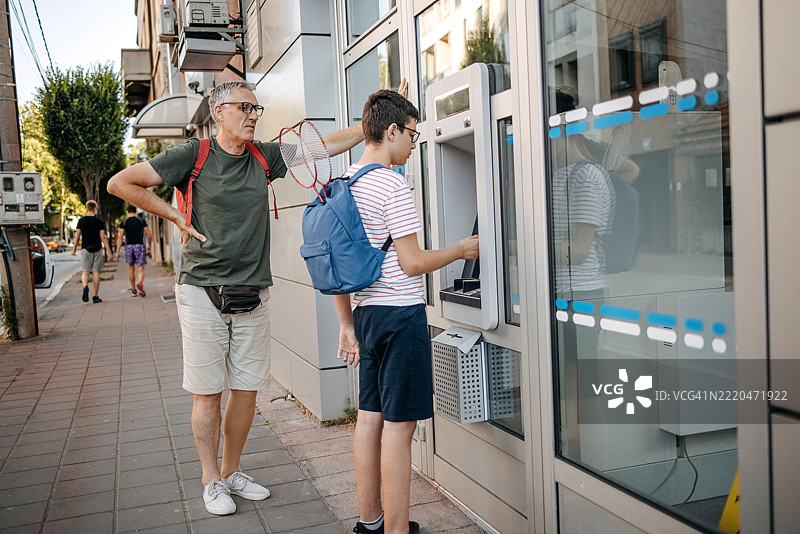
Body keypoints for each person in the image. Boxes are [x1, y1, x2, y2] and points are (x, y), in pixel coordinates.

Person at [107, 79, 406, 516]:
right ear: (219, 112)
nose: (253, 116)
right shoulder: (193, 155)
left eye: (256, 109)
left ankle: (231, 472)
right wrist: (173, 214)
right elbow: (121, 183)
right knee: (208, 393)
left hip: (253, 292)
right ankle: (210, 480)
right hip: (202, 289)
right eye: (244, 108)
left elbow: (323, 146)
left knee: (247, 391)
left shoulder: (263, 156)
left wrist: (376, 121)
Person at [333, 90, 479, 534]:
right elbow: (412, 263)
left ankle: (371, 524)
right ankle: (397, 531)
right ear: (392, 131)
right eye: (413, 134)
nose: (415, 144)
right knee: (400, 428)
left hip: (367, 315)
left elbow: (335, 265)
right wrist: (461, 250)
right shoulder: (392, 184)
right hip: (400, 314)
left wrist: (346, 324)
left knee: (369, 419)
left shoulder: (344, 183)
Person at [72, 200, 112, 303]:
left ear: (87, 208)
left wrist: (74, 249)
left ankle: (85, 286)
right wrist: (109, 252)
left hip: (86, 249)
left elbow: (77, 237)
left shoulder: (81, 221)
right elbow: (103, 238)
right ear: (95, 209)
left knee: (85, 272)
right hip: (97, 249)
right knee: (96, 272)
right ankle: (95, 296)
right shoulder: (99, 222)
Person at [115, 204, 153, 297]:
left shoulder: (124, 222)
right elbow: (149, 235)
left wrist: (117, 251)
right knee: (141, 268)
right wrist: (149, 246)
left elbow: (120, 237)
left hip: (129, 247)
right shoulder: (141, 221)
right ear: (135, 211)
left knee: (131, 268)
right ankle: (140, 282)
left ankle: (133, 290)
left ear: (127, 212)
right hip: (139, 246)